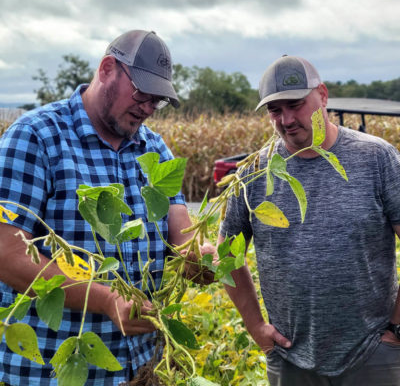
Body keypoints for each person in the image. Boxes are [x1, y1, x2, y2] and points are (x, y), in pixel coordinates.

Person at [0, 30, 211, 386]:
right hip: (51, 369)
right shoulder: (36, 137)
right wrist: (105, 300)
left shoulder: (154, 149)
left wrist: (201, 256)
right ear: (107, 68)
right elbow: (6, 253)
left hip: (141, 368)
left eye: (157, 101)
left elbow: (181, 232)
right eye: (142, 93)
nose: (147, 108)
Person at [219, 55, 400, 385]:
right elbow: (227, 253)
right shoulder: (253, 173)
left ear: (323, 95)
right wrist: (255, 326)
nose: (286, 119)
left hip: (372, 355)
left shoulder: (376, 158)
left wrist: (396, 330)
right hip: (290, 359)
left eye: (296, 104)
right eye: (275, 110)